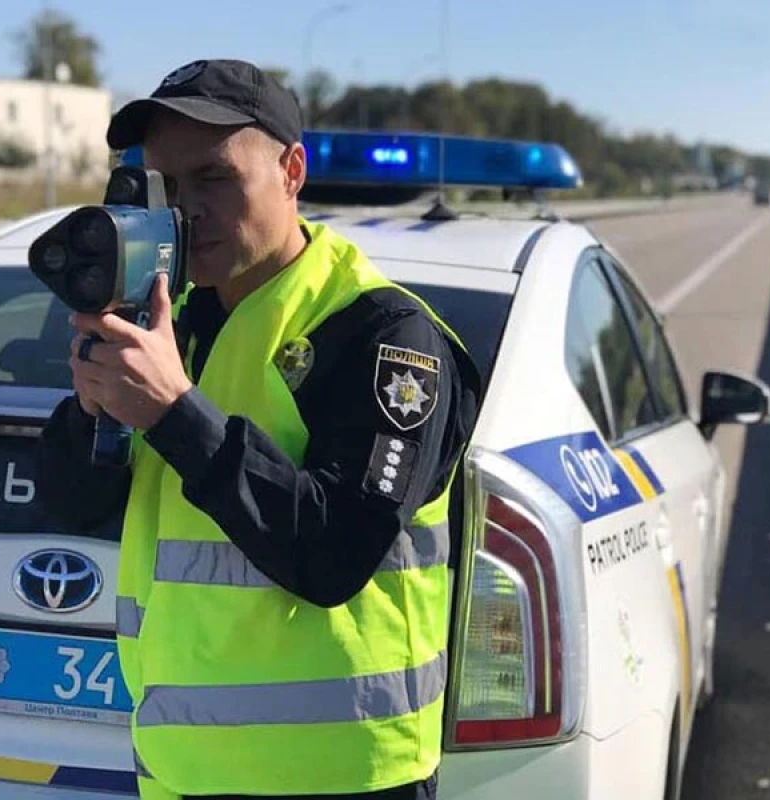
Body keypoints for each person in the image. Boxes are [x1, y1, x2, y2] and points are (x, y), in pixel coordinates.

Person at [34, 58, 481, 800]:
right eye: (166, 185)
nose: (188, 209)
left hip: (342, 776)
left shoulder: (382, 335)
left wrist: (175, 412)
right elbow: (68, 503)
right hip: (180, 769)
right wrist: (91, 413)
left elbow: (334, 555)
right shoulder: (173, 319)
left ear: (291, 171)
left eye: (214, 178)